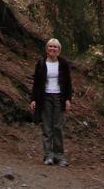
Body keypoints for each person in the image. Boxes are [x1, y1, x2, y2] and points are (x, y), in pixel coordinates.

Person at [29, 38, 73, 166]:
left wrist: (68, 100)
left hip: (59, 97)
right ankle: (48, 155)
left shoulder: (63, 63)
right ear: (47, 49)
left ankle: (59, 155)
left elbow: (68, 83)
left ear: (59, 50)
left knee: (58, 127)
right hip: (45, 97)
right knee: (47, 127)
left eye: (55, 47)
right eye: (50, 47)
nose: (52, 49)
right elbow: (36, 83)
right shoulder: (41, 63)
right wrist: (33, 99)